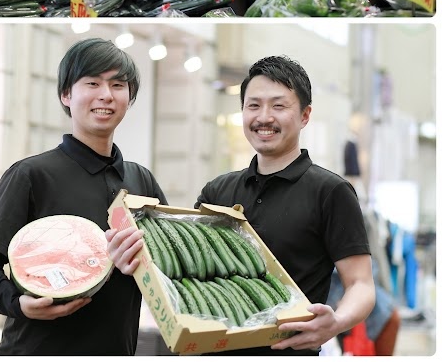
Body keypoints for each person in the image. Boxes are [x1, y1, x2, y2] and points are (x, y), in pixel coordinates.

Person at [108, 55, 375, 356]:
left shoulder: (331, 191)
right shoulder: (218, 190)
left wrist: (336, 322)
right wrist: (134, 261)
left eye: (279, 105)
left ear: (305, 115)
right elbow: (185, 275)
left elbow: (361, 285)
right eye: (253, 105)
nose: (264, 117)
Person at [0, 37, 167, 356]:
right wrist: (18, 303)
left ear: (129, 97)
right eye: (92, 82)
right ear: (66, 94)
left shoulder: (142, 180)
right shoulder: (31, 175)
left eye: (117, 84)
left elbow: (165, 260)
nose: (106, 95)